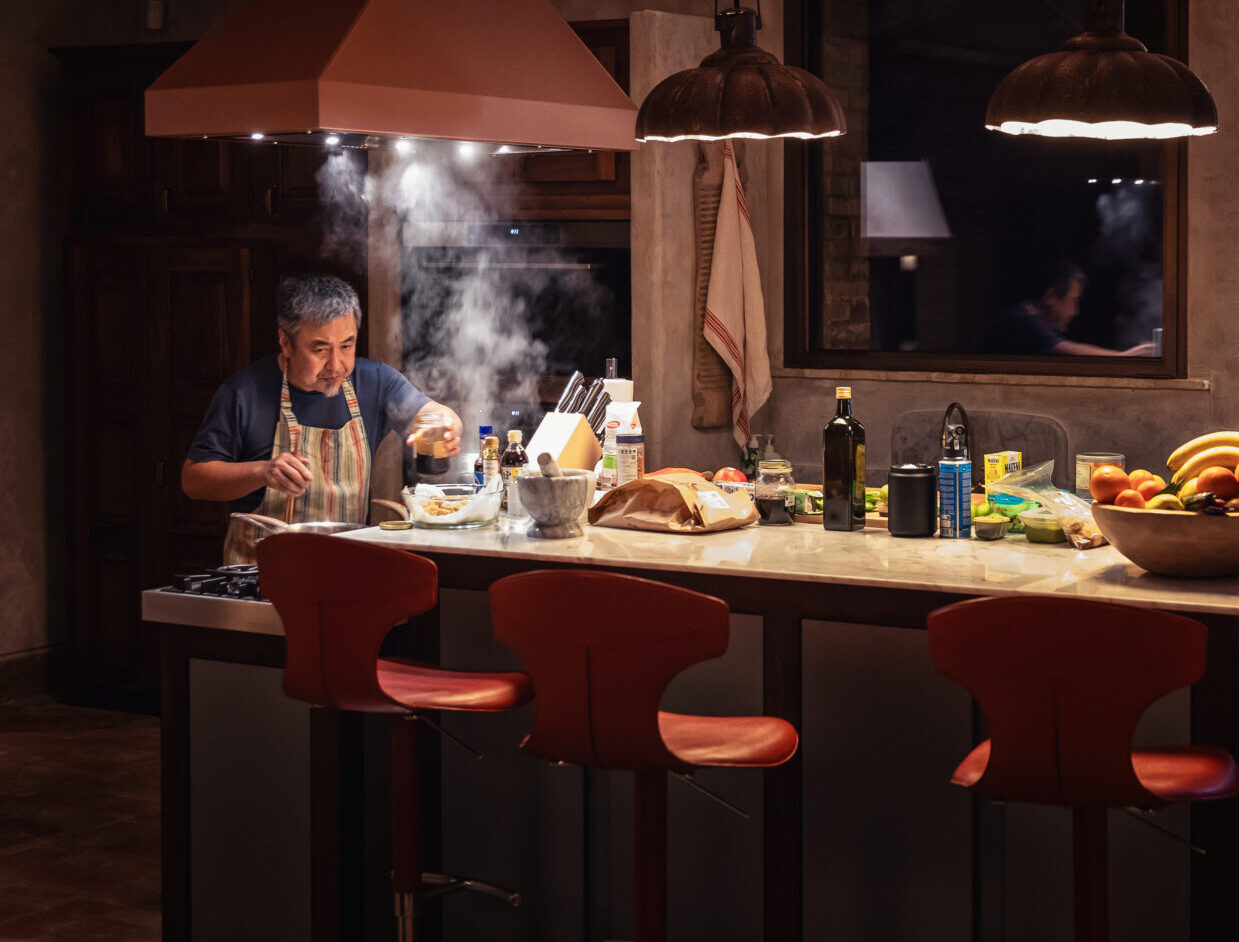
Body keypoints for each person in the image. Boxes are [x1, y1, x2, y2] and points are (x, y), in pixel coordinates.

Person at [182, 274, 462, 560]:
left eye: (346, 345)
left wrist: (445, 424)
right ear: (285, 342)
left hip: (342, 570)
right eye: (319, 349)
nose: (336, 365)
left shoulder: (375, 381)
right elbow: (194, 480)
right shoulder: (242, 393)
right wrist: (263, 472)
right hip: (261, 576)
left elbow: (432, 413)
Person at [987, 262, 1157, 357]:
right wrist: (1126, 357)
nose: (1075, 312)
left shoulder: (1026, 316)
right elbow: (1064, 348)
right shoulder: (1023, 322)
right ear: (1051, 297)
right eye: (1073, 302)